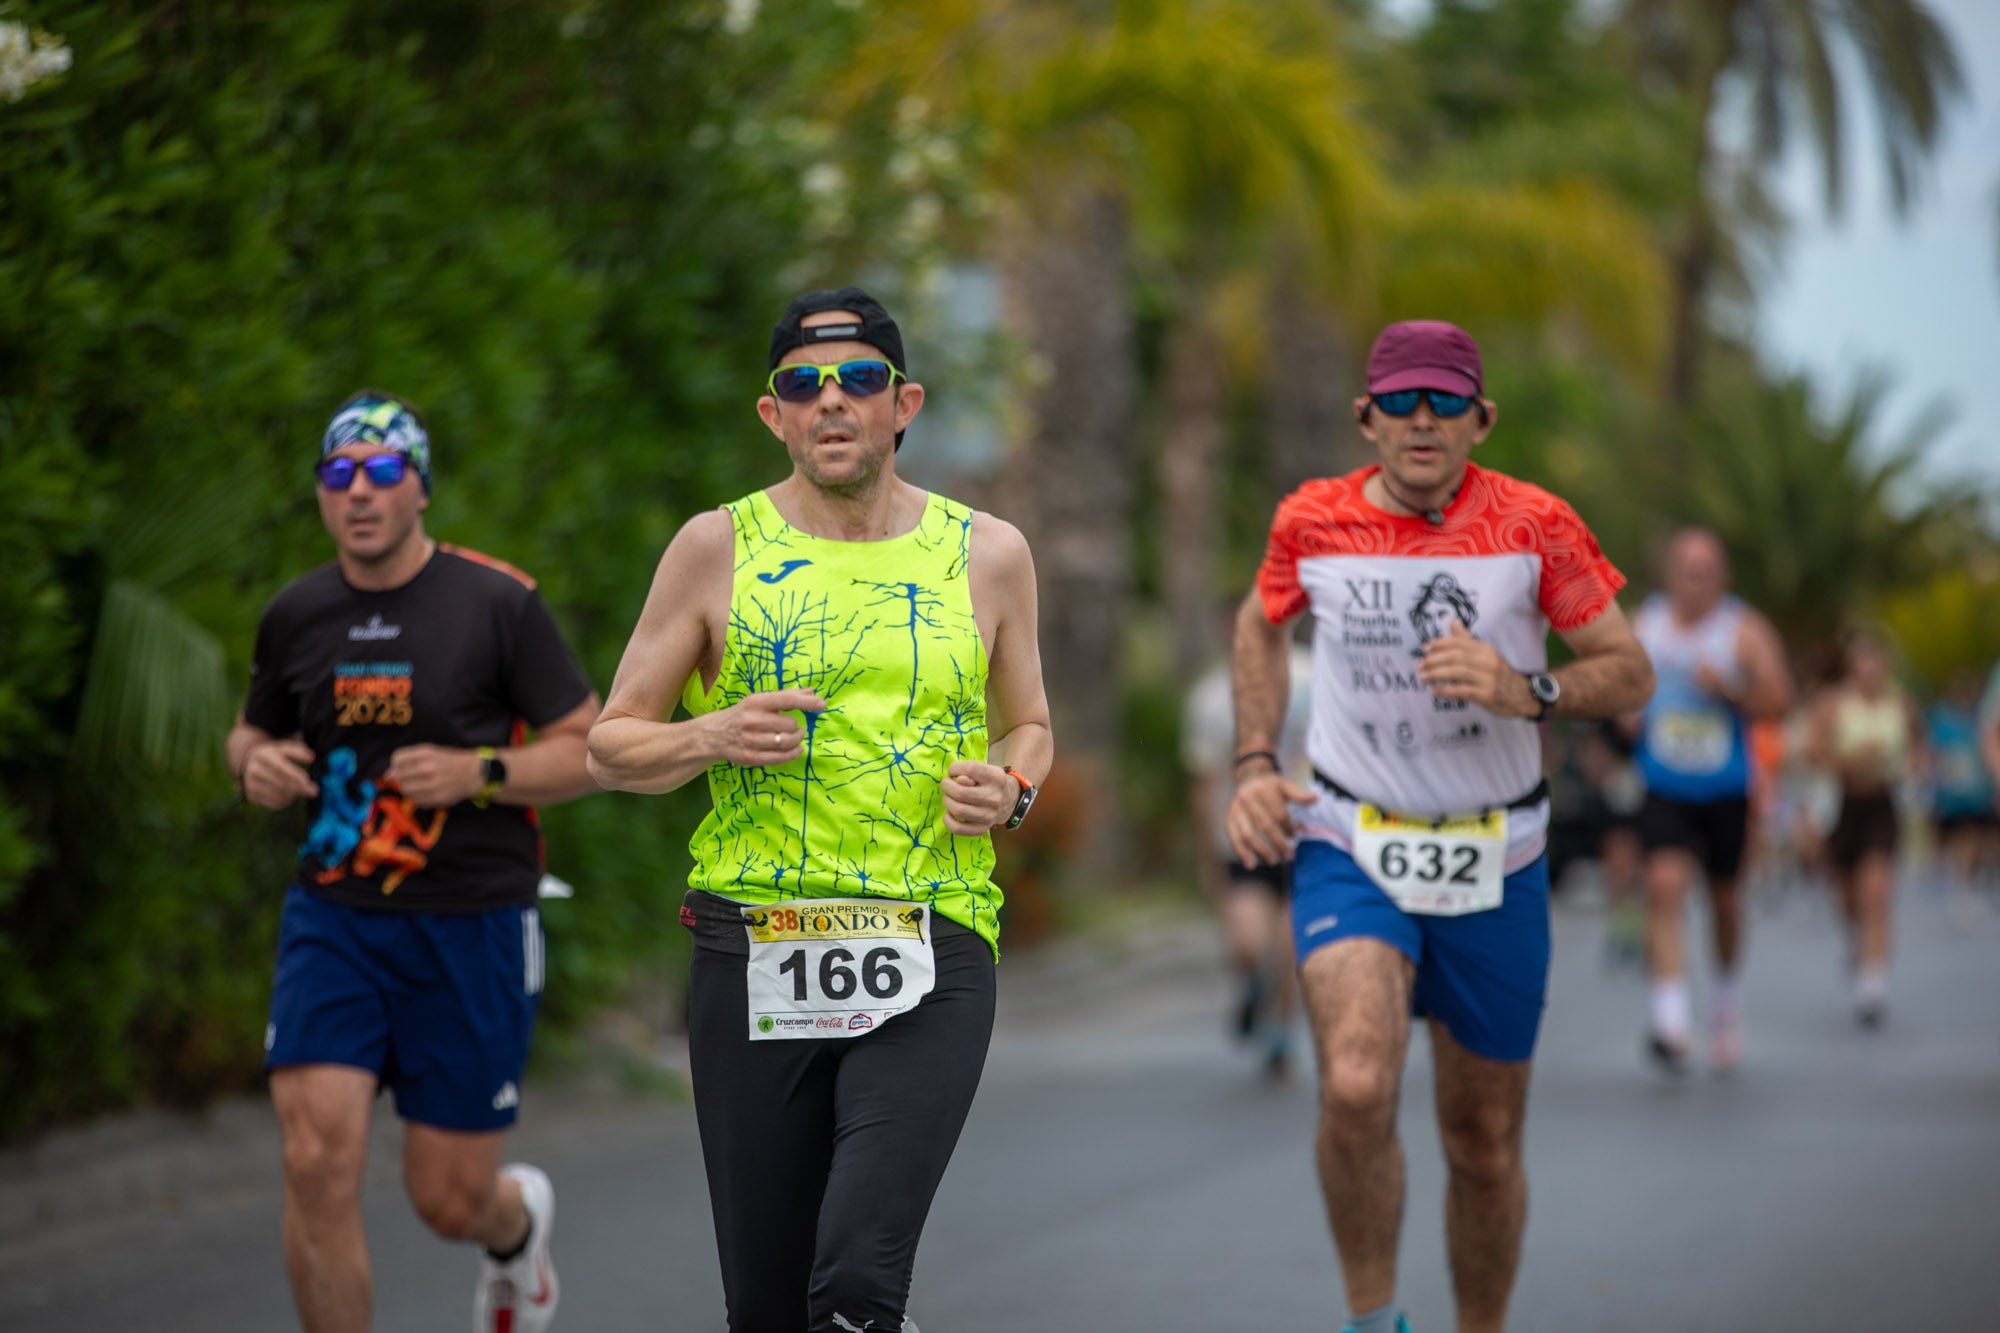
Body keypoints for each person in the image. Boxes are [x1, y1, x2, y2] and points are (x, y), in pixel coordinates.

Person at [586, 288, 1052, 1333]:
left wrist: (1011, 787)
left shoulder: (989, 553)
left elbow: (1029, 723)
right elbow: (613, 741)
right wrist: (710, 733)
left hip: (928, 940)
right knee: (766, 1307)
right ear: (773, 415)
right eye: (803, 384)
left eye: (858, 381)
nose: (830, 401)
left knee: (849, 1283)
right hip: (753, 944)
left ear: (903, 403)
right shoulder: (715, 547)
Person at [1227, 320, 1653, 1333]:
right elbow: (1258, 622)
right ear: (1365, 417)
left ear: (1480, 419)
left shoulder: (1535, 523)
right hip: (1348, 838)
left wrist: (1524, 686)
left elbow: (1628, 669)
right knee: (1360, 1083)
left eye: (1445, 401)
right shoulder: (1312, 518)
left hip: (1494, 855)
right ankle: (1371, 1319)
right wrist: (1251, 762)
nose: (1423, 419)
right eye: (1403, 401)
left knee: (1482, 1137)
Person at [227, 391, 602, 1333]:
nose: (359, 491)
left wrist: (481, 771)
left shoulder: (497, 603)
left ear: (420, 489)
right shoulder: (296, 614)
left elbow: (588, 747)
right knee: (313, 1160)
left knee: (448, 1198)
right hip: (335, 916)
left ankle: (512, 1230)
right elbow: (252, 733)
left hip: (471, 921)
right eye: (338, 474)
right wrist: (254, 764)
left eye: (383, 472)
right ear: (321, 493)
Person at [1626, 529, 1792, 1073]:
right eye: (1686, 569)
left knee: (1724, 900)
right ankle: (1670, 1020)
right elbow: (1612, 688)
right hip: (1665, 784)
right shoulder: (1643, 625)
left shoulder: (1741, 630)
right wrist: (1623, 713)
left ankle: (1724, 998)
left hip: (1725, 789)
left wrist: (1729, 688)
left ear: (1722, 577)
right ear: (1669, 573)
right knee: (1664, 886)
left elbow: (1779, 701)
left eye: (1706, 570)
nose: (1695, 581)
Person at [1183, 636, 1313, 1080]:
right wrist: (1207, 856)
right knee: (1248, 944)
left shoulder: (1313, 678)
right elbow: (1203, 780)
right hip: (1243, 838)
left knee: (1293, 946)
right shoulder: (1213, 697)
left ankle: (1280, 1039)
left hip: (1305, 836)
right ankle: (1254, 986)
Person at [1808, 633, 1924, 1025]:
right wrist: (1847, 758)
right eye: (1862, 663)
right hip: (1842, 805)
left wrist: (1910, 766)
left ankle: (1872, 988)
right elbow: (1811, 751)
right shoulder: (1833, 703)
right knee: (1848, 898)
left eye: (1876, 662)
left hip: (1883, 804)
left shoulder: (1901, 704)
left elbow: (1919, 749)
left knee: (1876, 892)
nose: (1869, 671)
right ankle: (1857, 942)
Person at [1925, 671, 1998, 925]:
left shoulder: (1979, 718)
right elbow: (1933, 752)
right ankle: (1958, 889)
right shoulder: (1942, 719)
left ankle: (1968, 885)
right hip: (1952, 793)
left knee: (1980, 841)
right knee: (1960, 840)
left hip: (1978, 791)